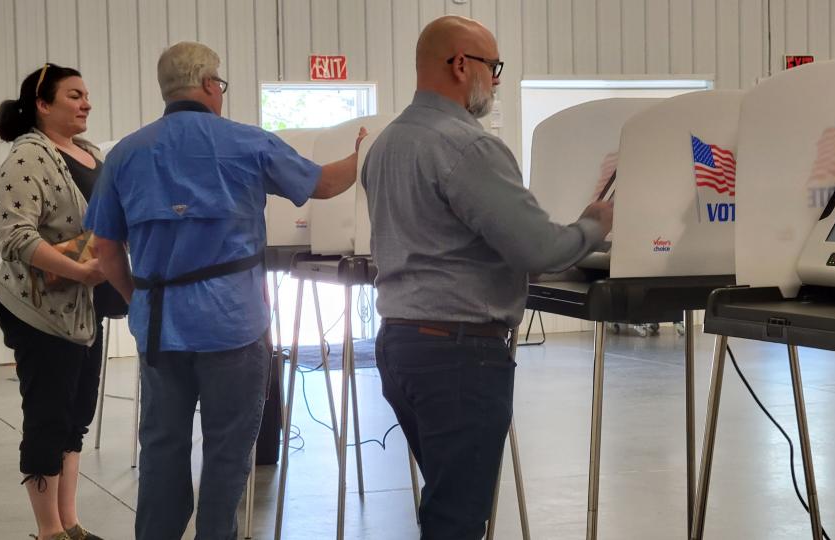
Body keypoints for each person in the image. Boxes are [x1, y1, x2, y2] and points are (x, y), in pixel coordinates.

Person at [84, 41, 365, 540]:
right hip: (232, 326)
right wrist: (362, 152)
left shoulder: (126, 153)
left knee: (162, 448)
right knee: (229, 450)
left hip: (159, 330)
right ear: (211, 85)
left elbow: (105, 248)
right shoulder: (247, 142)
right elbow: (322, 185)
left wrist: (139, 300)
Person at [362, 16, 614, 539]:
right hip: (458, 356)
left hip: (400, 346)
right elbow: (538, 250)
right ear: (460, 65)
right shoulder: (467, 146)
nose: (497, 79)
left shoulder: (387, 143)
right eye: (493, 66)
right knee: (457, 518)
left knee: (445, 500)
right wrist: (594, 224)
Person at [0, 64, 110, 540]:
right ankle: (48, 532)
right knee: (47, 415)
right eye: (74, 95)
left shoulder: (89, 153)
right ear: (43, 104)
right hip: (36, 308)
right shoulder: (28, 156)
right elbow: (13, 235)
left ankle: (70, 524)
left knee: (76, 414)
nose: (85, 103)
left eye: (87, 95)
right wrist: (80, 268)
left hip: (83, 305)